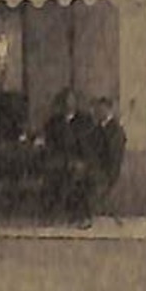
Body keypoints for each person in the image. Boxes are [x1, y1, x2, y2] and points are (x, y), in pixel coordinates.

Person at [40, 88, 96, 227]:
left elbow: (89, 144)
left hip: (80, 159)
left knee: (78, 177)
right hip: (59, 160)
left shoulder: (85, 121)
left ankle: (80, 216)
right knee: (51, 175)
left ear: (75, 102)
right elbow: (49, 143)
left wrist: (83, 161)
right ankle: (51, 214)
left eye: (71, 100)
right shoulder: (53, 122)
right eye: (65, 101)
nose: (68, 104)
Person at [87, 96, 127, 214]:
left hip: (108, 169)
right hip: (96, 167)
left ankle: (91, 213)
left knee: (87, 179)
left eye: (101, 109)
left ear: (109, 110)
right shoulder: (97, 128)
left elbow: (113, 154)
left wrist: (95, 165)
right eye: (97, 109)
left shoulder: (116, 130)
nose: (98, 112)